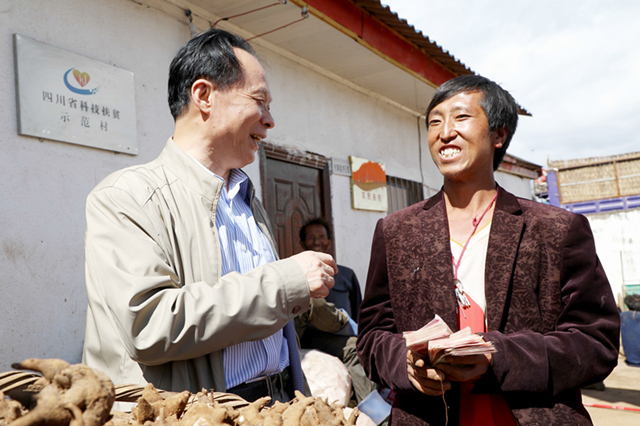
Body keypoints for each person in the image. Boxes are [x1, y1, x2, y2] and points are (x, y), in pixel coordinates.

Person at [82, 28, 337, 405]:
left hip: (274, 405)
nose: (269, 120)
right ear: (204, 95)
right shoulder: (127, 196)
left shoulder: (246, 199)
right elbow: (149, 326)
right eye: (260, 101)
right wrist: (286, 283)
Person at [356, 75, 620, 425]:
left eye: (461, 117)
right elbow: (371, 337)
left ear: (499, 135)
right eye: (434, 121)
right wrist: (404, 364)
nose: (445, 132)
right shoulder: (396, 231)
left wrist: (498, 357)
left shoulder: (555, 229)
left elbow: (595, 341)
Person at [296, 218, 376, 405]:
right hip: (308, 334)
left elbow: (359, 310)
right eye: (311, 237)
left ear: (329, 242)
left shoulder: (346, 275)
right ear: (303, 243)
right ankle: (343, 320)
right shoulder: (297, 273)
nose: (316, 241)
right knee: (314, 303)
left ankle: (373, 409)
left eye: (321, 237)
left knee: (358, 346)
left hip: (337, 335)